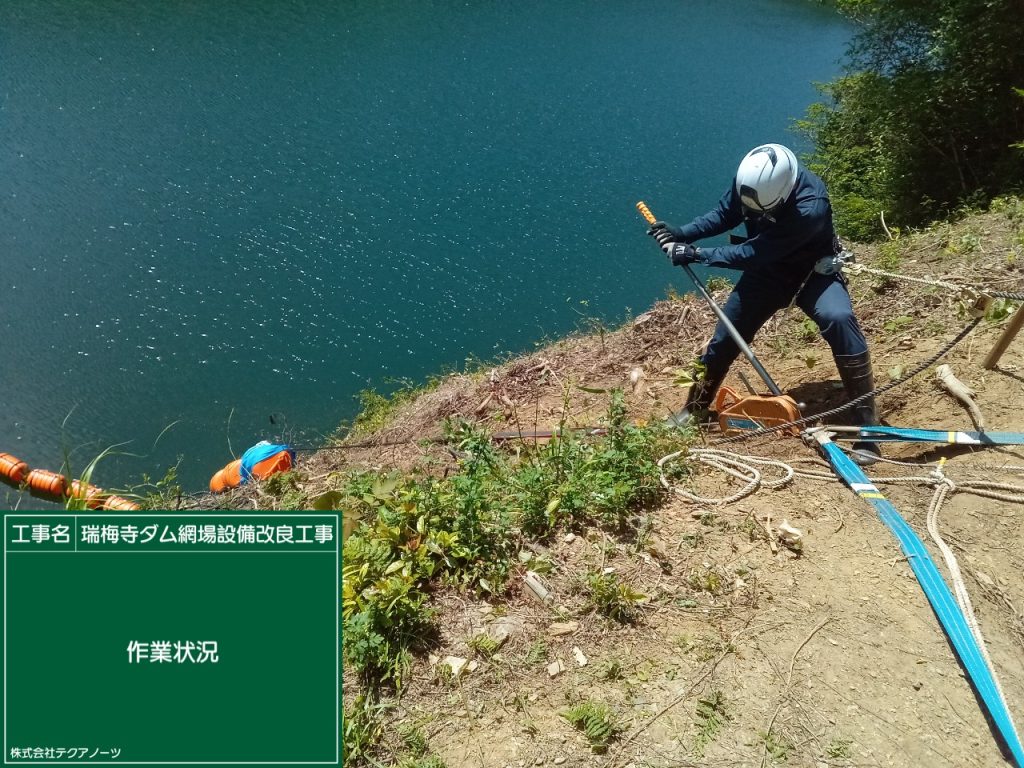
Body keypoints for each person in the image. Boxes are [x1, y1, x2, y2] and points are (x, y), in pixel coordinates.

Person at [649, 143, 880, 464]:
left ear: (783, 193)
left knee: (838, 318)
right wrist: (683, 233)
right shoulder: (752, 180)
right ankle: (695, 409)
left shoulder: (810, 206)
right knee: (725, 337)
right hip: (767, 275)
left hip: (812, 272)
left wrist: (697, 254)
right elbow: (725, 213)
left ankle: (868, 426)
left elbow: (755, 252)